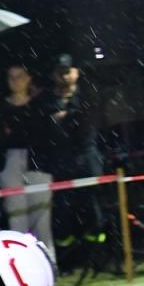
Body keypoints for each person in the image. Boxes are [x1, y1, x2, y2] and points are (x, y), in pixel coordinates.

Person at [43, 60, 106, 272]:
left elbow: (87, 125)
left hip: (87, 164)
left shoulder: (88, 96)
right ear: (53, 75)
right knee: (63, 215)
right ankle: (69, 261)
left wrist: (67, 116)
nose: (64, 77)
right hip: (61, 167)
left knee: (93, 213)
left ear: (76, 73)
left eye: (67, 72)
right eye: (60, 72)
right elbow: (47, 131)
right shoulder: (46, 101)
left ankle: (97, 257)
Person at [0, 64, 55, 248]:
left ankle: (48, 266)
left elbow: (46, 137)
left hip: (39, 163)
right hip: (10, 164)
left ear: (28, 79)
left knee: (41, 220)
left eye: (20, 76)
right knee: (17, 219)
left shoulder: (40, 106)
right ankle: (21, 269)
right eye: (11, 77)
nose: (16, 80)